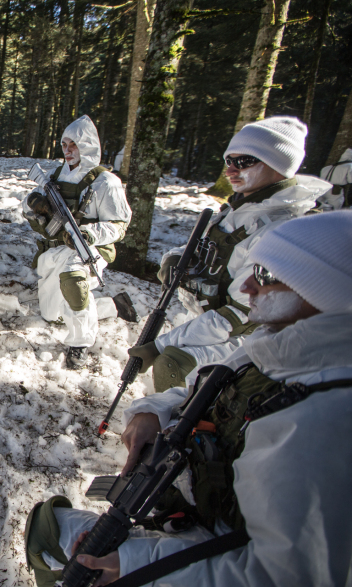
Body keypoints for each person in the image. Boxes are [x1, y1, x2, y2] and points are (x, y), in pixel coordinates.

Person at [24, 210, 352, 587]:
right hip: (189, 511)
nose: (246, 286)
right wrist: (153, 412)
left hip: (216, 554)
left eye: (266, 276)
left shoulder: (323, 422)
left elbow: (275, 576)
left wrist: (130, 564)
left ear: (322, 291)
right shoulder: (277, 347)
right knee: (46, 527)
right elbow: (203, 389)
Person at [129, 117, 330, 392]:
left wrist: (160, 345)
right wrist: (173, 259)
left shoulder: (282, 228)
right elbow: (197, 248)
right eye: (229, 161)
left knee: (172, 363)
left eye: (244, 161)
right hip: (214, 324)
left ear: (278, 165)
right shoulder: (238, 210)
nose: (231, 170)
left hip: (256, 337)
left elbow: (238, 315)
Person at [23, 114, 132, 369]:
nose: (68, 150)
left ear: (88, 145)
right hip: (56, 250)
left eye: (74, 145)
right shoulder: (55, 176)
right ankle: (113, 306)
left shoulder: (106, 182)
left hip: (88, 250)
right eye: (64, 145)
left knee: (74, 283)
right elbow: (28, 207)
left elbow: (119, 226)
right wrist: (35, 205)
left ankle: (80, 343)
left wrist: (90, 234)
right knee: (52, 314)